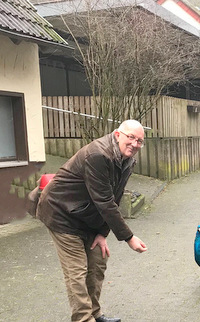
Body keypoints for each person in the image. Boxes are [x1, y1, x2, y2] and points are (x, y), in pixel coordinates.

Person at [37, 120, 148, 322]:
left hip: (87, 216)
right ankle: (83, 318)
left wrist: (102, 233)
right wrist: (129, 238)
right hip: (62, 214)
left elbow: (115, 196)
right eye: (131, 137)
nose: (134, 143)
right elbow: (104, 201)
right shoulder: (98, 154)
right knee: (77, 271)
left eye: (139, 140)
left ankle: (95, 314)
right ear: (117, 135)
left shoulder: (128, 160)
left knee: (98, 261)